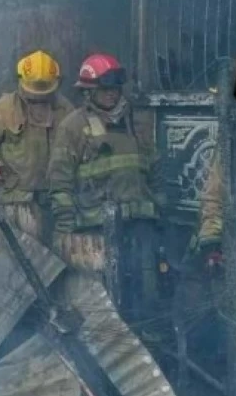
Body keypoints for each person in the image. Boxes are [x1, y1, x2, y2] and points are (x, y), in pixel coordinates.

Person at [48, 53, 167, 279]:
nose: (112, 93)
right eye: (105, 89)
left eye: (116, 88)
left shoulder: (135, 122)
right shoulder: (73, 127)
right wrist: (66, 226)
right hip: (96, 227)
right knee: (108, 288)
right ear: (89, 91)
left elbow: (155, 167)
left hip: (142, 224)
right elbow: (59, 180)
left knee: (147, 285)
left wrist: (160, 206)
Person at [0, 50, 75, 241]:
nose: (39, 98)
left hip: (54, 202)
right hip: (14, 202)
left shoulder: (65, 110)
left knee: (54, 261)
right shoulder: (4, 109)